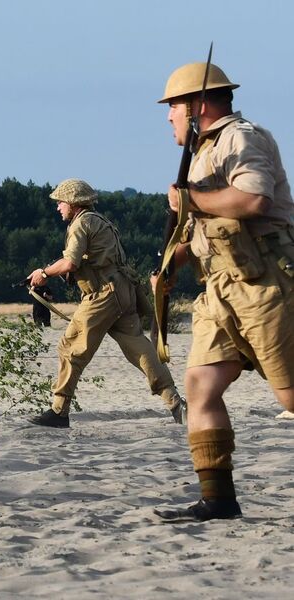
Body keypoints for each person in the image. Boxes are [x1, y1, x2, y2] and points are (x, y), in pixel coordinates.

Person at [152, 62, 294, 522]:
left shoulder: (240, 137)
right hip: (220, 289)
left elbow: (254, 200)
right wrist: (174, 263)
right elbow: (206, 230)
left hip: (264, 283)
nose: (168, 117)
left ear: (196, 106)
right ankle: (218, 500)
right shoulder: (202, 152)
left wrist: (190, 197)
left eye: (173, 107)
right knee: (200, 385)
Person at [26, 178, 187, 428]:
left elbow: (70, 263)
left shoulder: (81, 223)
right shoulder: (98, 221)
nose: (58, 207)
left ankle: (59, 411)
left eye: (60, 202)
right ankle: (176, 403)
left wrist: (44, 274)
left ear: (73, 202)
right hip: (122, 293)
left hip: (101, 295)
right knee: (140, 349)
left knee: (70, 347)